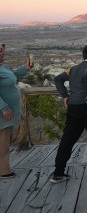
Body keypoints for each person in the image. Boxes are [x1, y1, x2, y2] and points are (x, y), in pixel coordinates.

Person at [51, 43, 87, 183]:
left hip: (73, 107)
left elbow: (57, 79)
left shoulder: (73, 69)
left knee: (67, 139)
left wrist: (65, 96)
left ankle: (58, 172)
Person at [0, 43, 32, 179]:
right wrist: (3, 107)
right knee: (3, 142)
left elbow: (12, 77)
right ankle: (4, 171)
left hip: (6, 112)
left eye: (2, 51)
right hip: (3, 113)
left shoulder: (2, 67)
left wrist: (25, 68)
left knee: (5, 141)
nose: (2, 53)